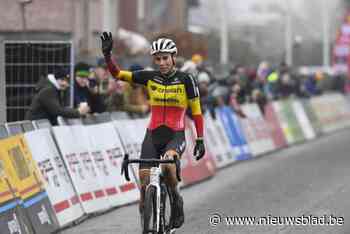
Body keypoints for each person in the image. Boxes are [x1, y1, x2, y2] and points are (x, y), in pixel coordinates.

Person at [100, 32, 206, 230]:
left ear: (173, 58)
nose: (162, 62)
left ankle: (175, 199)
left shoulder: (186, 79)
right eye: (158, 59)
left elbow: (197, 112)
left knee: (167, 166)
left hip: (175, 134)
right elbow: (118, 75)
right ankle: (147, 214)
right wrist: (108, 55)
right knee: (145, 179)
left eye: (165, 58)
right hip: (153, 134)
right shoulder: (150, 77)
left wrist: (200, 139)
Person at [25, 69, 90, 125]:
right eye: (62, 80)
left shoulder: (55, 89)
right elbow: (57, 110)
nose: (65, 84)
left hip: (41, 125)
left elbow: (60, 109)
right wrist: (78, 112)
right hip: (36, 126)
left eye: (67, 82)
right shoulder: (49, 90)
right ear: (55, 79)